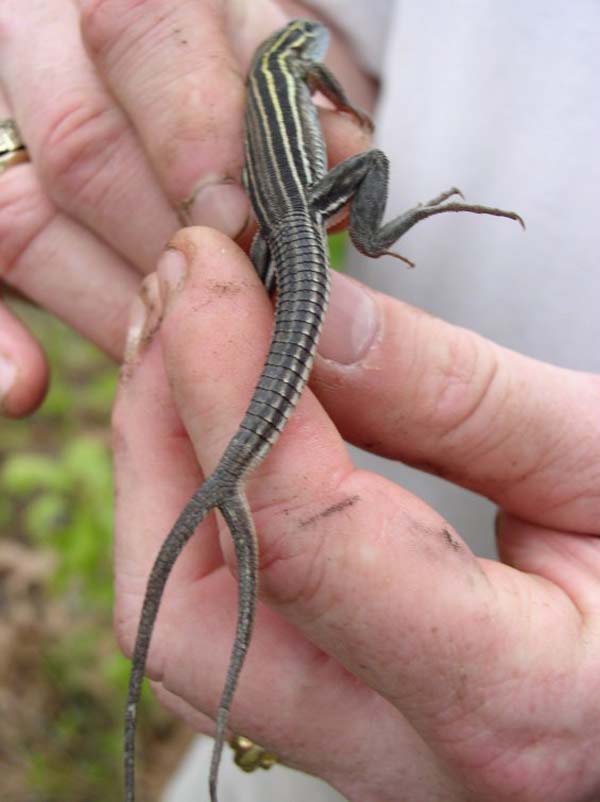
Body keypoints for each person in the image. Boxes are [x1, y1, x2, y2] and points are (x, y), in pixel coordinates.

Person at [1, 1, 599, 800]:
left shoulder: (276, 74)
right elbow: (328, 29)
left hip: (292, 227)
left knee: (261, 366)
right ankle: (377, 237)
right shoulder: (293, 61)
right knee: (262, 349)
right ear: (299, 58)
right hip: (301, 226)